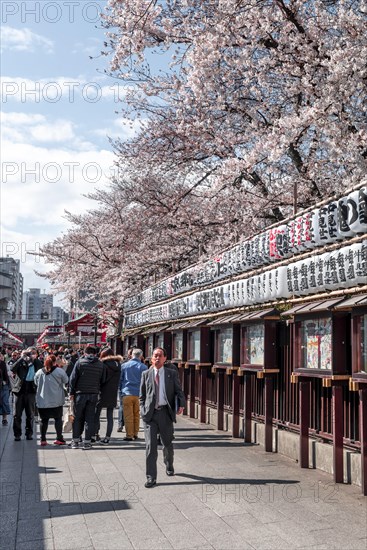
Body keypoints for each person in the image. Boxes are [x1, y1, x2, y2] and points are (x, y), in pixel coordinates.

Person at [139, 347, 186, 488]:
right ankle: (151, 477)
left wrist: (181, 405)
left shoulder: (171, 374)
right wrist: (143, 410)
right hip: (150, 415)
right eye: (154, 356)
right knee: (150, 447)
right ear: (151, 358)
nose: (157, 358)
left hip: (165, 413)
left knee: (167, 443)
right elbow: (142, 396)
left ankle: (169, 463)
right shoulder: (146, 374)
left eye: (160, 356)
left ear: (165, 358)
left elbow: (179, 391)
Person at [68, 345, 106, 450]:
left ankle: (75, 441)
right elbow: (103, 380)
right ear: (95, 354)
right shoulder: (100, 364)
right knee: (90, 419)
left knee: (77, 418)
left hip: (80, 394)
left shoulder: (80, 362)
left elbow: (73, 379)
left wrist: (71, 392)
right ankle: (87, 442)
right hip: (93, 394)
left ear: (85, 353)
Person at [34, 355, 69, 446]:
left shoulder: (39, 372)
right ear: (54, 362)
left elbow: (35, 382)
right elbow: (66, 380)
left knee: (43, 420)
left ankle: (43, 440)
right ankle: (59, 438)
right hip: (56, 400)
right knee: (58, 419)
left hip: (42, 401)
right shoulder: (59, 371)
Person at [11, 348, 43, 441]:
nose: (30, 355)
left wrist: (34, 358)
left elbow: (42, 369)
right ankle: (17, 434)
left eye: (33, 353)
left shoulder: (36, 363)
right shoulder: (21, 362)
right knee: (17, 414)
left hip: (31, 391)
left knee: (30, 414)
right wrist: (21, 357)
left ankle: (29, 433)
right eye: (29, 353)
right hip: (19, 391)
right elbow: (13, 368)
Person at [93, 348, 122, 445]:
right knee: (110, 415)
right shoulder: (118, 364)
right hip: (113, 392)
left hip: (102, 391)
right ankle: (107, 437)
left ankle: (96, 434)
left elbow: (101, 378)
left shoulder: (103, 364)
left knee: (97, 414)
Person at [120, 348, 147, 441]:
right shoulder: (144, 367)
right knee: (136, 415)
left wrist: (120, 391)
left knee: (128, 415)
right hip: (139, 394)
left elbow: (121, 380)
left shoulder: (124, 366)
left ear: (131, 355)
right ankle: (135, 433)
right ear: (141, 356)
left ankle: (129, 435)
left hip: (127, 392)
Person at [117, 348, 133, 432]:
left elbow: (120, 377)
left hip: (123, 388)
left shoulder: (123, 363)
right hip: (133, 389)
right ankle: (128, 424)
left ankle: (120, 424)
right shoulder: (139, 364)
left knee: (122, 406)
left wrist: (119, 387)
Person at [0, 352, 10, 426]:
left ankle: (5, 418)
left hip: (3, 385)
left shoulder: (3, 364)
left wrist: (5, 382)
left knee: (4, 402)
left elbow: (6, 374)